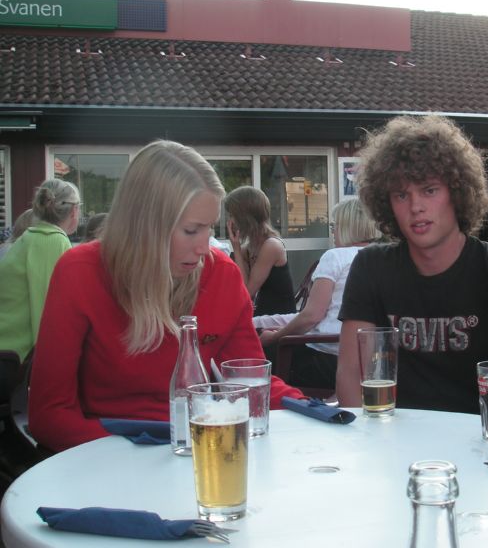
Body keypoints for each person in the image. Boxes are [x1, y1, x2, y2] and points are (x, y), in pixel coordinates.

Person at [28, 141, 303, 453]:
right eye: (191, 230)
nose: (204, 248)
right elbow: (49, 415)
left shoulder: (222, 275)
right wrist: (143, 451)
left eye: (209, 229)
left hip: (195, 453)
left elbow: (249, 381)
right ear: (144, 226)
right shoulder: (80, 272)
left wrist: (315, 411)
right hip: (105, 455)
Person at [336, 115, 488, 420]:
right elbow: (350, 377)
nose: (416, 207)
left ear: (458, 193)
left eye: (429, 190)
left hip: (479, 437)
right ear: (387, 204)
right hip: (390, 437)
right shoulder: (370, 267)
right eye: (401, 195)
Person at [255, 198, 383, 389]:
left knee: (263, 357)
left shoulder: (336, 257)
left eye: (334, 226)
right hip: (373, 364)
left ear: (346, 227)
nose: (333, 232)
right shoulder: (384, 258)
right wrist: (260, 321)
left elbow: (311, 316)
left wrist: (274, 337)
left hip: (328, 359)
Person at [0, 182, 80, 363]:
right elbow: (47, 313)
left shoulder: (30, 237)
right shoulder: (51, 241)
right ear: (74, 211)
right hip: (13, 359)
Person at [223, 186, 295, 316]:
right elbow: (240, 290)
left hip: (278, 320)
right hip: (262, 316)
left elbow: (246, 293)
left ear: (244, 217)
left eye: (232, 215)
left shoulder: (271, 246)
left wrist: (236, 249)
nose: (230, 221)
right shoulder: (249, 248)